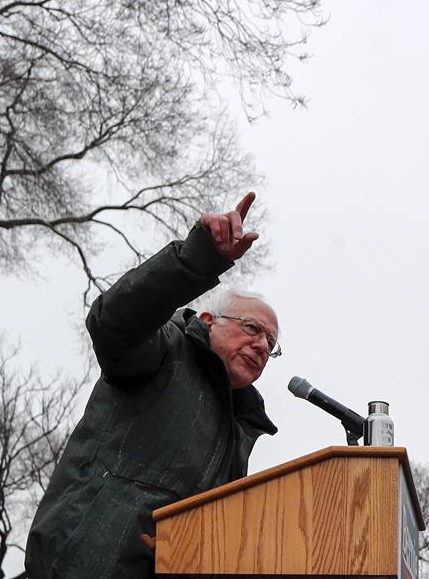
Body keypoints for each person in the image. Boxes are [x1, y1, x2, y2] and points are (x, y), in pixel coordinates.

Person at [25, 193, 280, 579]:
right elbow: (113, 322)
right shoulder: (165, 350)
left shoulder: (240, 428)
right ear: (209, 319)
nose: (262, 345)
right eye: (252, 329)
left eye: (271, 344)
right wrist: (199, 257)